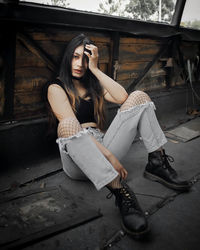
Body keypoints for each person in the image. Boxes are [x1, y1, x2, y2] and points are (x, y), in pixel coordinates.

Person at [46, 33, 191, 238]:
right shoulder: (56, 87)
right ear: (67, 56)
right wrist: (110, 156)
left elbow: (123, 97)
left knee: (139, 96)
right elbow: (73, 128)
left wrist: (95, 69)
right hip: (77, 159)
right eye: (75, 56)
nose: (80, 63)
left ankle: (157, 163)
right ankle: (121, 192)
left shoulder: (92, 84)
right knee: (68, 124)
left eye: (85, 59)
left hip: (103, 141)